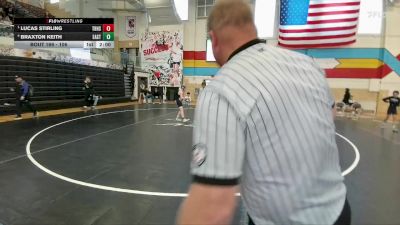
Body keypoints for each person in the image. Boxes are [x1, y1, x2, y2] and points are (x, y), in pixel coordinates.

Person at [177, 1, 350, 225]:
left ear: (214, 39)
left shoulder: (221, 90)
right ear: (252, 28)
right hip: (338, 211)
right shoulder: (308, 66)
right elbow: (329, 115)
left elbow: (213, 207)